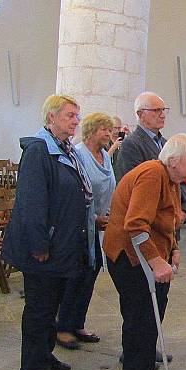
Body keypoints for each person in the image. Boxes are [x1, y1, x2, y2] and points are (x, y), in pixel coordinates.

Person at [2, 95, 93, 370]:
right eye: (70, 116)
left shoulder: (64, 149)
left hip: (63, 243)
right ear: (51, 118)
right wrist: (39, 244)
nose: (76, 122)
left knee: (52, 304)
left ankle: (46, 353)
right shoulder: (39, 150)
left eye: (77, 116)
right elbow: (32, 203)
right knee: (39, 307)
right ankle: (32, 364)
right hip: (44, 247)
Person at [103, 134, 186, 370]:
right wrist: (157, 262)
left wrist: (174, 249)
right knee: (139, 321)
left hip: (152, 256)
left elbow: (168, 220)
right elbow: (135, 225)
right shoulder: (152, 175)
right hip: (130, 259)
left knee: (150, 321)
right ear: (174, 159)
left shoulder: (170, 179)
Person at [55, 112, 117, 349]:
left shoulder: (104, 155)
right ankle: (62, 327)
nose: (109, 135)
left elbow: (110, 185)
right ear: (91, 131)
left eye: (110, 130)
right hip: (81, 225)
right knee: (75, 277)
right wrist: (92, 218)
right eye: (105, 130)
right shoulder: (79, 154)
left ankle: (77, 323)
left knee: (89, 276)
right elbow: (73, 194)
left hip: (99, 225)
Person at [114, 92, 186, 232]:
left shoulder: (166, 143)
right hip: (149, 226)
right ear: (140, 114)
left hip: (170, 224)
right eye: (156, 110)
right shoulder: (131, 144)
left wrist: (183, 211)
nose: (162, 114)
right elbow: (132, 186)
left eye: (163, 110)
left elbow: (181, 178)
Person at [108, 115, 128, 181]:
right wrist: (114, 147)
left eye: (119, 128)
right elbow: (104, 160)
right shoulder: (105, 142)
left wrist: (130, 135)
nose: (116, 131)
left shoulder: (124, 141)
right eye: (114, 128)